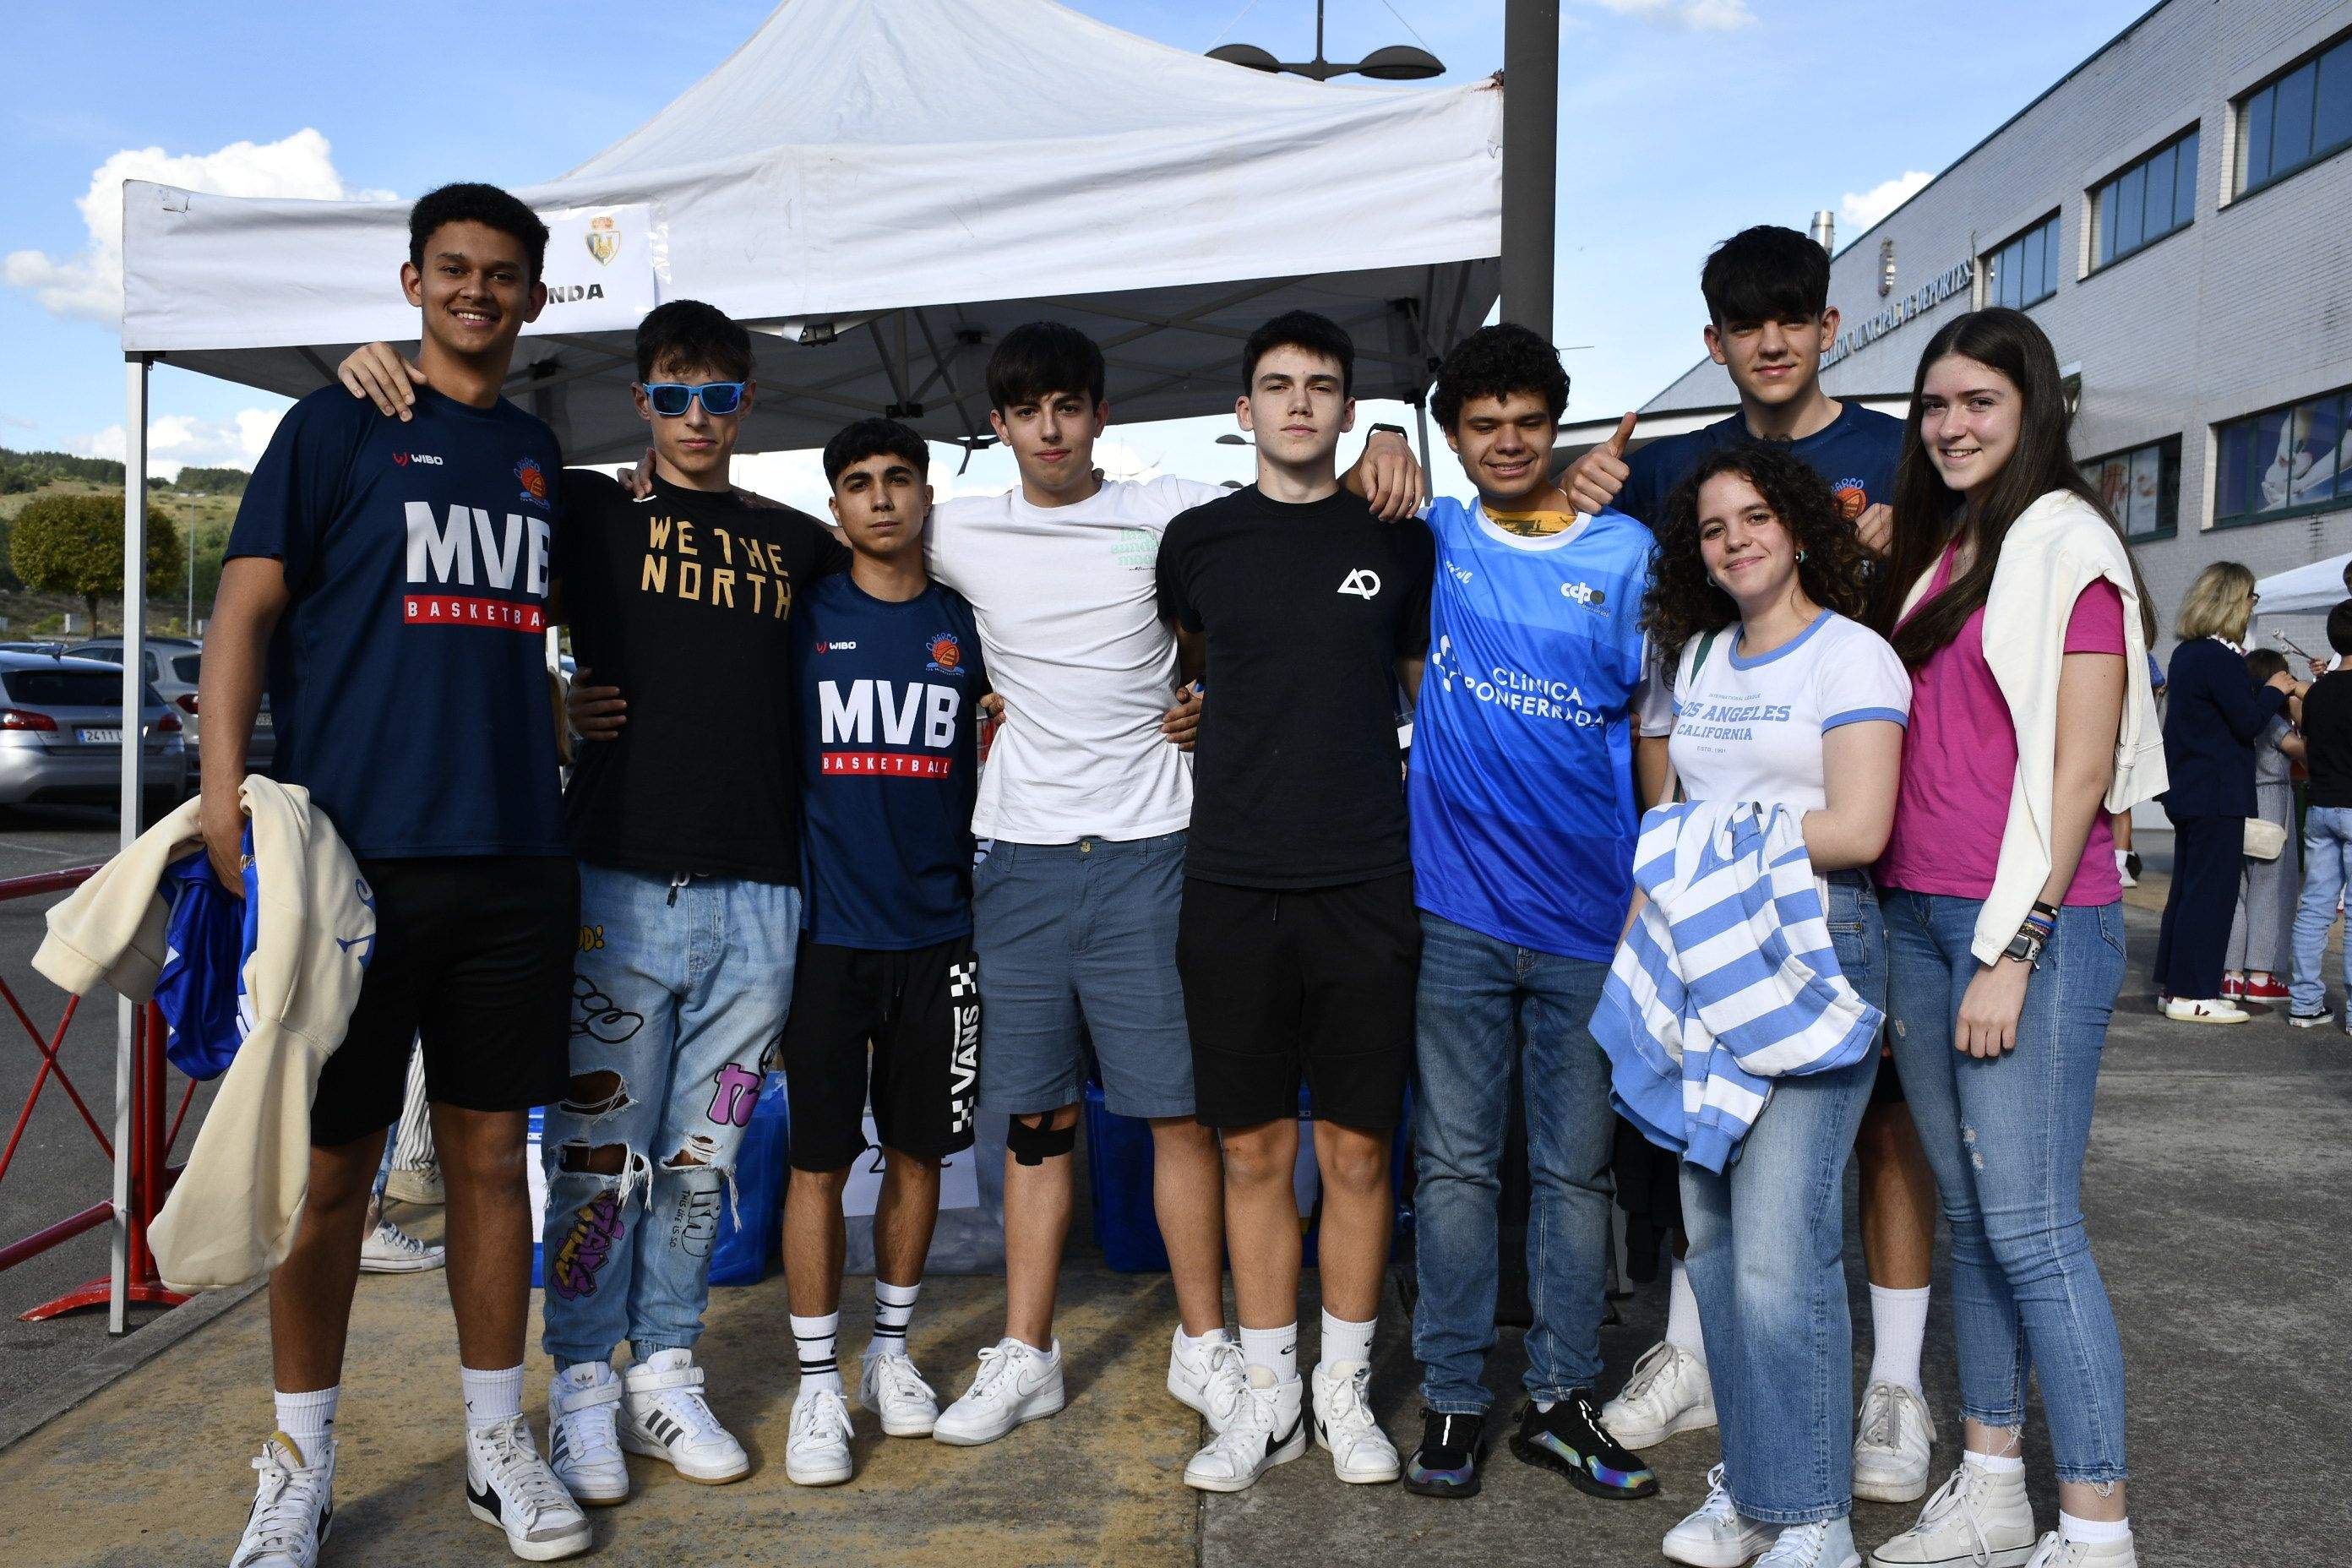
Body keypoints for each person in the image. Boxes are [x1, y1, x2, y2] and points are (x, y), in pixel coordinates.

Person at [339, 300, 848, 1506]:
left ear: (747, 405)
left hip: (762, 897)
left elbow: (912, 574)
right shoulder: (586, 502)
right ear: (642, 400)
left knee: (700, 1161)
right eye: (674, 394)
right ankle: (577, 1387)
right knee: (591, 1162)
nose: (695, 418)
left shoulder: (794, 541)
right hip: (615, 886)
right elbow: (464, 531)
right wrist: (379, 372)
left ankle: (663, 1372)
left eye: (718, 396)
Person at [915, 322, 1424, 1447]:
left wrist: (1388, 427)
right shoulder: (958, 528)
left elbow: (1279, 532)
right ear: (995, 427)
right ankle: (1029, 1351)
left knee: (1184, 1118)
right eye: (1025, 411)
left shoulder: (1174, 514)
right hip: (1024, 858)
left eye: (1069, 405)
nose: (1049, 430)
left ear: (1102, 415)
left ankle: (1211, 1348)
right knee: (1039, 1119)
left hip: (1158, 847)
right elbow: (844, 538)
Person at [210, 183, 591, 1566]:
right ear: (412, 281)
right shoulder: (336, 421)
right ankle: (298, 1461)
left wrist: (567, 723)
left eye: (500, 275)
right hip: (350, 870)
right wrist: (218, 804)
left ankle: (498, 1439)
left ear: (535, 299)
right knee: (332, 1182)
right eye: (452, 270)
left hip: (512, 863)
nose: (476, 291)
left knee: (494, 1162)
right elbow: (244, 610)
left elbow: (512, 648)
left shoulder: (539, 453)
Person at [1565, 224, 1942, 1508]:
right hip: (1729, 870)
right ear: (1713, 341)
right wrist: (1574, 479)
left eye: (1793, 318)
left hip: (1871, 821)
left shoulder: (1900, 450)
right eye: (1745, 323)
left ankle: (1892, 1384)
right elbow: (1562, 502)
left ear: (1829, 327)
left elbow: (1975, 559)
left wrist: (1921, 529)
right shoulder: (1681, 464)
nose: (1771, 342)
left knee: (1883, 1131)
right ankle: (1700, 1361)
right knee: (1706, 1133)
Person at [1865, 308, 2163, 1568]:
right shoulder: (1950, 550)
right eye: (1935, 406)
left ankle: (2096, 1532)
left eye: (1979, 402)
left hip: (2021, 928)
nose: (1952, 427)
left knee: (2034, 1227)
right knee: (1978, 1224)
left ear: (2033, 407)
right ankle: (1991, 1493)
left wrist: (2016, 946)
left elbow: (2083, 770)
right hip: (1919, 920)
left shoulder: (2068, 544)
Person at [1154, 310, 1431, 1494]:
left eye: (1324, 386)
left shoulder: (1402, 540)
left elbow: (1420, 686)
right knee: (1254, 1148)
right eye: (1278, 385)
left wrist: (1398, 450)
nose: (1300, 404)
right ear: (1244, 411)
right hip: (1230, 881)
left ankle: (1344, 1389)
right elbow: (1189, 670)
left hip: (1366, 879)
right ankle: (1267, 1394)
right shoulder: (1196, 540)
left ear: (1347, 404)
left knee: (1361, 1153)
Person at [1395, 323, 1669, 1504]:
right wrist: (1368, 429)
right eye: (1481, 424)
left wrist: (1653, 889)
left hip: (1587, 917)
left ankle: (1560, 1400)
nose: (1506, 443)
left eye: (1527, 422)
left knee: (1572, 1178)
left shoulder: (1629, 554)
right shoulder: (1434, 539)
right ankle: (1453, 1398)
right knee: (1455, 1169)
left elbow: (1653, 728)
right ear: (1453, 436)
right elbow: (1361, 480)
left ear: (1555, 425)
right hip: (1453, 911)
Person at [1644, 443, 1908, 1568]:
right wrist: (1696, 862)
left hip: (1816, 947)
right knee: (1711, 1244)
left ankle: (1817, 1519)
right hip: (1707, 961)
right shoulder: (1695, 659)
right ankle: (1754, 1491)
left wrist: (1715, 848)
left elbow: (1858, 829)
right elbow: (1662, 827)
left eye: (1755, 517)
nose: (1736, 539)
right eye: (1713, 528)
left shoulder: (1852, 658)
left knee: (1781, 1248)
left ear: (1798, 527)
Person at [772, 420, 988, 1483]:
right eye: (857, 484)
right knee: (816, 1160)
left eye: (899, 479)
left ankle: (889, 1357)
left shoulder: (966, 621)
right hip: (824, 939)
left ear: (926, 490)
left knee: (919, 1153)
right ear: (835, 508)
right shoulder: (803, 619)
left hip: (941, 934)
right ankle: (817, 1383)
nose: (882, 499)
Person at [2152, 563, 2301, 1025]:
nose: (2253, 606)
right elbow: (2246, 721)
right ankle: (2194, 993)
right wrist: (2275, 691)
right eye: (2251, 598)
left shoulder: (2189, 655)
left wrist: (2257, 688)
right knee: (2210, 896)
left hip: (2190, 790)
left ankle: (2175, 987)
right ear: (2234, 602)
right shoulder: (2221, 657)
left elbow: (2222, 708)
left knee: (2188, 892)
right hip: (2216, 793)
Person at [2223, 648, 2302, 1004]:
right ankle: (2260, 976)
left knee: (2237, 893)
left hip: (2239, 805)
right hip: (2272, 808)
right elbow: (2300, 751)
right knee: (2271, 891)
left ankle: (2231, 975)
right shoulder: (2273, 719)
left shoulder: (2240, 715)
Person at [2287, 599, 2352, 1028]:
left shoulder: (2319, 691)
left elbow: (2308, 747)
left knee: (2314, 910)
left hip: (2322, 804)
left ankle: (2305, 1003)